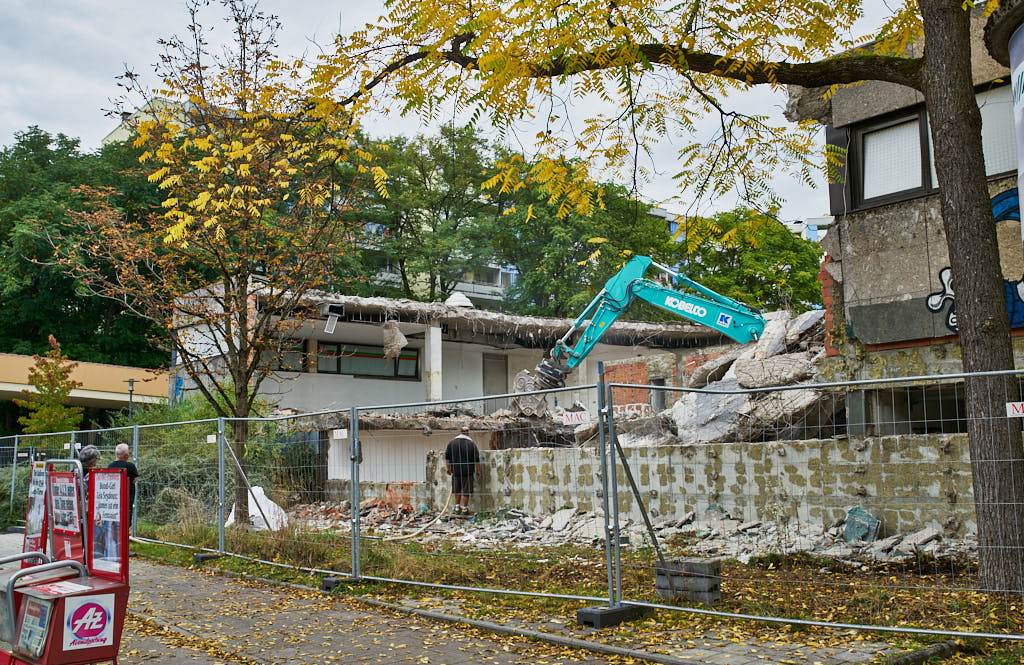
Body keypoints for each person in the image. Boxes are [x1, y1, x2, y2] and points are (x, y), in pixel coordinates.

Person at [444, 426, 480, 516]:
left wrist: (448, 468)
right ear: (468, 433)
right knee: (466, 490)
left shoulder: (452, 443)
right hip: (468, 471)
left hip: (456, 471)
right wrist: (478, 471)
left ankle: (457, 507)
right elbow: (476, 459)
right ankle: (465, 509)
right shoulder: (471, 443)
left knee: (457, 490)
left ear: (460, 432)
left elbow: (447, 457)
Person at [108, 443, 140, 525]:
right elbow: (134, 480)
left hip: (112, 500)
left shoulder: (110, 466)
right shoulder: (130, 466)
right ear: (126, 455)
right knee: (125, 523)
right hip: (126, 500)